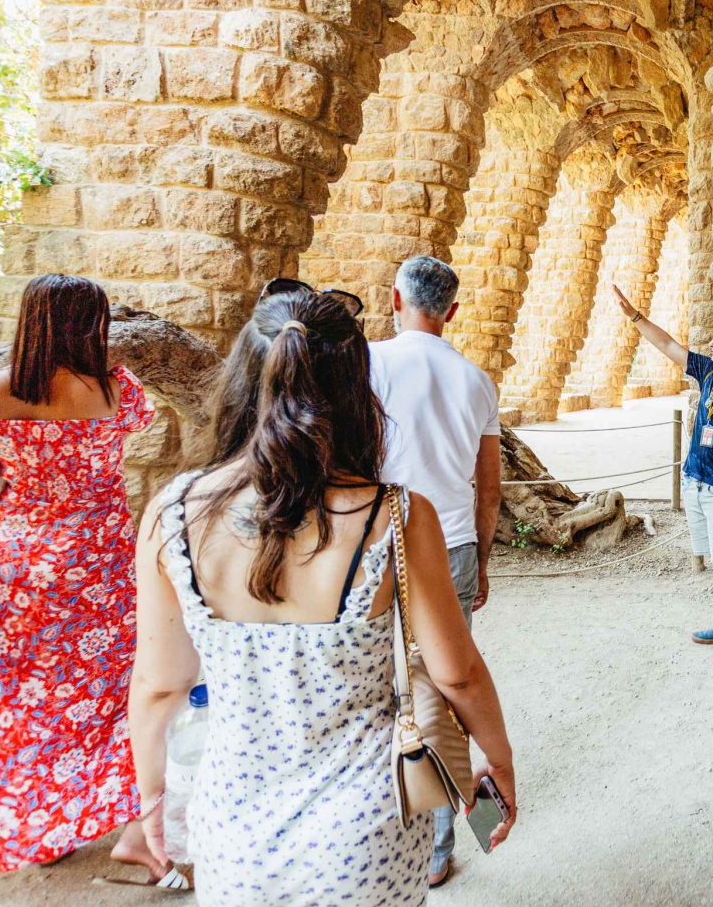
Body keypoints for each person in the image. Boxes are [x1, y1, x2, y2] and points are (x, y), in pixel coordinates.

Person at [127, 291, 516, 904]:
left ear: (242, 381)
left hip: (234, 827)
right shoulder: (394, 513)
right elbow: (457, 673)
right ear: (357, 389)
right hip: (367, 830)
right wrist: (498, 759)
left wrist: (151, 798)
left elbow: (159, 684)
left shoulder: (175, 513)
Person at [0, 274, 162, 877]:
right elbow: (130, 435)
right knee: (107, 699)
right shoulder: (119, 392)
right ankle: (118, 820)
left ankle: (31, 827)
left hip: (10, 567)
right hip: (96, 570)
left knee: (10, 704)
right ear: (94, 326)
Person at [367, 255, 502, 877]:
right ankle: (440, 847)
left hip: (375, 543)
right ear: (452, 311)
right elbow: (489, 484)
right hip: (451, 545)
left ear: (394, 299)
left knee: (373, 684)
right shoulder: (476, 380)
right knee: (444, 686)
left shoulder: (367, 365)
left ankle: (385, 818)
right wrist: (482, 550)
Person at [612, 284, 713, 667]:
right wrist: (635, 316)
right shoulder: (708, 373)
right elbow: (668, 345)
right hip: (697, 481)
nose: (712, 342)